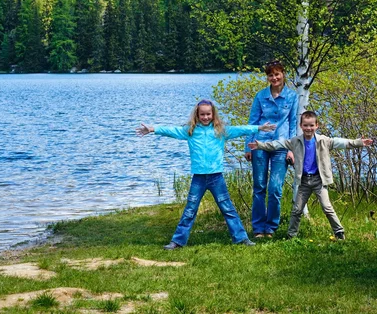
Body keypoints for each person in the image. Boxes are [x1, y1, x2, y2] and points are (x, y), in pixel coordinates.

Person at [136, 98, 276, 249]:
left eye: (208, 114)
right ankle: (177, 241)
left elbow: (241, 129)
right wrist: (152, 129)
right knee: (190, 209)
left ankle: (241, 238)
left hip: (217, 178)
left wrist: (259, 128)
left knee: (227, 208)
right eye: (202, 114)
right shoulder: (190, 131)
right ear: (197, 115)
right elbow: (171, 130)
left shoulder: (221, 131)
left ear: (213, 114)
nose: (205, 117)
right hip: (199, 178)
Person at [248, 110, 373, 239]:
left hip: (319, 180)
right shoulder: (295, 141)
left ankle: (339, 232)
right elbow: (277, 144)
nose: (309, 128)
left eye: (311, 125)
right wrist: (260, 145)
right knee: (297, 210)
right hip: (304, 182)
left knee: (327, 207)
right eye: (306, 125)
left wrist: (359, 142)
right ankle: (291, 235)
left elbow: (342, 142)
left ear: (317, 126)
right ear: (301, 126)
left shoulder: (323, 140)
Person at [245, 60, 298, 238]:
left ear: (283, 74)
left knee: (275, 188)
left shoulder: (292, 97)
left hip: (282, 146)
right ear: (267, 77)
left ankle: (271, 227)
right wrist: (248, 146)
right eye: (270, 75)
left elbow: (293, 124)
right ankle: (258, 227)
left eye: (277, 74)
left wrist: (292, 149)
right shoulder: (260, 96)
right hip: (259, 145)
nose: (274, 78)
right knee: (259, 186)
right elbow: (253, 123)